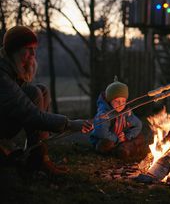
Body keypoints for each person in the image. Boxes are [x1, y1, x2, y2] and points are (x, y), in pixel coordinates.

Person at [0, 25, 92, 176]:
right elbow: (31, 115)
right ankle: (38, 159)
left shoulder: (12, 68)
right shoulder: (2, 75)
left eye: (34, 48)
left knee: (41, 89)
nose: (33, 54)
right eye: (28, 48)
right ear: (14, 51)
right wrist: (70, 124)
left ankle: (39, 157)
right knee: (34, 92)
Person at [90, 76, 148, 162]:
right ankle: (117, 150)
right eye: (117, 101)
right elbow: (102, 132)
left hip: (121, 138)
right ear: (110, 101)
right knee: (106, 144)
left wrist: (126, 136)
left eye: (123, 101)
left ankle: (124, 149)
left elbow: (138, 125)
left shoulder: (126, 112)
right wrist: (116, 139)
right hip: (107, 139)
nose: (120, 104)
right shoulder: (104, 114)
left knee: (140, 137)